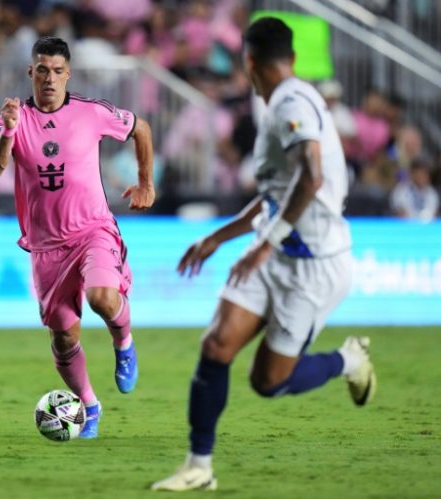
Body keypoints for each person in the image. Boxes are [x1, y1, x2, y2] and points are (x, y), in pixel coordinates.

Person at [151, 18, 376, 491]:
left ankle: (348, 361)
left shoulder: (292, 103)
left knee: (268, 381)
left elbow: (311, 177)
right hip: (272, 252)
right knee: (216, 345)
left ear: (248, 62)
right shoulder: (276, 101)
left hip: (313, 266)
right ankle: (199, 466)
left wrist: (265, 243)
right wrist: (221, 236)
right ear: (290, 58)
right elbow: (280, 188)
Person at [0, 36, 155, 439]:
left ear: (68, 74)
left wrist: (145, 182)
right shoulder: (12, 118)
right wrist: (7, 132)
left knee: (103, 298)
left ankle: (124, 341)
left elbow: (140, 128)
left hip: (93, 229)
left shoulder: (91, 112)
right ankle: (90, 406)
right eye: (42, 70)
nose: (50, 78)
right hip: (45, 246)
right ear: (30, 72)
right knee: (63, 337)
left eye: (58, 71)